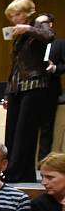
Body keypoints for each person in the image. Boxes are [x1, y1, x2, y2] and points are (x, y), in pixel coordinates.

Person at [2, 0, 55, 182]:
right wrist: (7, 92)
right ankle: (18, 171)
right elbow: (15, 65)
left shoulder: (40, 21)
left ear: (27, 13)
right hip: (17, 86)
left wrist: (28, 28)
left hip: (34, 84)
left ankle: (15, 174)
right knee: (12, 131)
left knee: (25, 131)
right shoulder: (19, 35)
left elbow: (49, 37)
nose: (14, 19)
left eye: (17, 14)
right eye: (12, 16)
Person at [34, 13, 65, 161]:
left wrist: (54, 69)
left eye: (43, 23)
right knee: (28, 127)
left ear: (50, 25)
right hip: (31, 90)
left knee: (47, 127)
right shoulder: (31, 43)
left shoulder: (59, 43)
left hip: (50, 89)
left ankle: (42, 163)